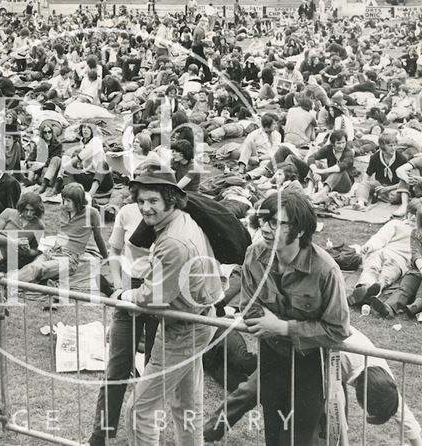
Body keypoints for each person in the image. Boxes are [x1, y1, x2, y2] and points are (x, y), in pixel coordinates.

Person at [121, 167, 224, 445]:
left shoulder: (174, 241)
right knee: (186, 407)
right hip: (199, 320)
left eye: (152, 200)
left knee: (140, 410)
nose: (145, 208)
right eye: (141, 201)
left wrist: (127, 295)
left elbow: (152, 298)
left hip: (183, 329)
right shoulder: (182, 221)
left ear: (170, 199)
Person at [241, 191, 350, 445]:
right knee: (273, 434)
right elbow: (248, 307)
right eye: (264, 220)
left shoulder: (325, 270)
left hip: (310, 363)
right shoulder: (254, 255)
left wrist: (282, 327)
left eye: (278, 223)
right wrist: (267, 326)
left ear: (300, 230)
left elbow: (337, 330)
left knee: (298, 438)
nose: (266, 229)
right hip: (271, 358)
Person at [204, 327, 422, 446]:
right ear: (362, 395)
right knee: (251, 390)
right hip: (296, 351)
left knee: (327, 418)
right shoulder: (347, 358)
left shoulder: (383, 379)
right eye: (366, 408)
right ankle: (209, 432)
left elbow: (407, 419)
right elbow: (334, 398)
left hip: (320, 361)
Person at [88, 198, 159, 445]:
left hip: (161, 291)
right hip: (130, 288)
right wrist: (118, 287)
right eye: (141, 194)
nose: (147, 202)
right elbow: (115, 252)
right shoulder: (127, 212)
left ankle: (144, 435)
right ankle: (100, 435)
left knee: (152, 368)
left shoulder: (172, 218)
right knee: (117, 366)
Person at [355, 132, 409, 217]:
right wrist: (365, 186)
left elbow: (405, 181)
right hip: (380, 184)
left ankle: (380, 196)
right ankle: (361, 203)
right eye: (390, 146)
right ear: (382, 147)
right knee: (364, 184)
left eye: (394, 145)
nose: (393, 148)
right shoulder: (375, 157)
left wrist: (388, 188)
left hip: (395, 187)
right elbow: (368, 174)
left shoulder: (401, 159)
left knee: (395, 196)